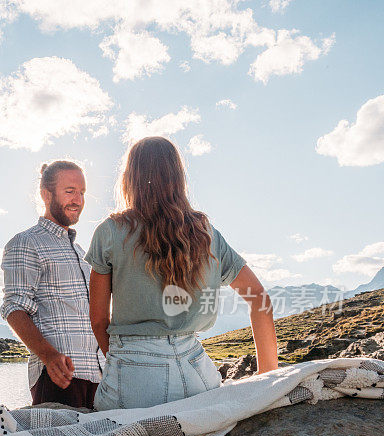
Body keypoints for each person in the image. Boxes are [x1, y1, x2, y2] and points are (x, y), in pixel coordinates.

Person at [85, 137, 277, 411]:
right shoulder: (206, 233)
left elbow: (97, 319)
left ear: (130, 178)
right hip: (198, 374)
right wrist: (267, 378)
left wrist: (121, 361)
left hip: (133, 377)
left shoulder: (110, 232)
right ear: (178, 177)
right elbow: (260, 300)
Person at [1, 161, 104, 409]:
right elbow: (14, 308)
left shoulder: (82, 253)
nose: (78, 200)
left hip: (99, 379)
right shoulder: (26, 242)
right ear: (46, 194)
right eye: (70, 191)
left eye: (82, 192)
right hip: (59, 378)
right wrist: (49, 356)